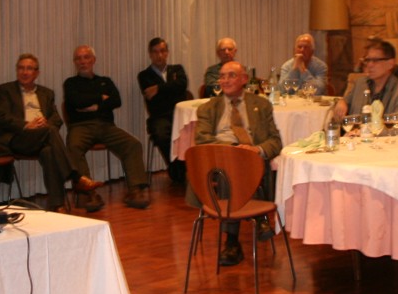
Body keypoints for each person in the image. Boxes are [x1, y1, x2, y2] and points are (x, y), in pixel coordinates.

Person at [194, 62, 283, 266]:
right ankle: (259, 219)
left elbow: (275, 141)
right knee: (230, 168)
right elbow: (202, 140)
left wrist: (257, 149)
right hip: (219, 162)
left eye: (231, 75)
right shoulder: (208, 108)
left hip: (253, 159)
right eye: (222, 76)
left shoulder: (261, 105)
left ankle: (232, 242)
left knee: (244, 165)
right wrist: (234, 149)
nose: (225, 80)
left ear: (244, 79)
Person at [0, 53, 104, 212]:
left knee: (49, 151)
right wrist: (27, 125)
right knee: (50, 132)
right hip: (17, 138)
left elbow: (56, 119)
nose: (25, 72)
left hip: (42, 137)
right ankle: (76, 177)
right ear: (17, 70)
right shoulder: (5, 90)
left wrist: (46, 123)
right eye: (21, 68)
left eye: (29, 68)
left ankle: (57, 204)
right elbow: (2, 117)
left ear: (36, 73)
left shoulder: (46, 93)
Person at [63, 44, 150, 209]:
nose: (82, 61)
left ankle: (135, 191)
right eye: (78, 58)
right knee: (73, 147)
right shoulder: (70, 83)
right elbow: (75, 102)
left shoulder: (105, 81)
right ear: (74, 62)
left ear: (93, 60)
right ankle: (89, 193)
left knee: (133, 144)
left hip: (106, 126)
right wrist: (100, 98)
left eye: (86, 57)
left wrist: (94, 106)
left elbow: (116, 101)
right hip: (80, 127)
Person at [137, 37, 191, 184]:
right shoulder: (144, 75)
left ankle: (186, 169)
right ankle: (178, 169)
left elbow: (182, 85)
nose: (159, 55)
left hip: (180, 115)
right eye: (155, 52)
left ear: (167, 52)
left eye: (162, 51)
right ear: (150, 54)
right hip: (159, 116)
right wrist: (172, 89)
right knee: (161, 135)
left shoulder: (177, 69)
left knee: (194, 131)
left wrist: (159, 88)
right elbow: (155, 101)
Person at [332, 38, 398, 121]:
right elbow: (345, 102)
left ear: (390, 63)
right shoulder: (360, 83)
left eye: (375, 60)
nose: (370, 65)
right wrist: (342, 102)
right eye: (367, 60)